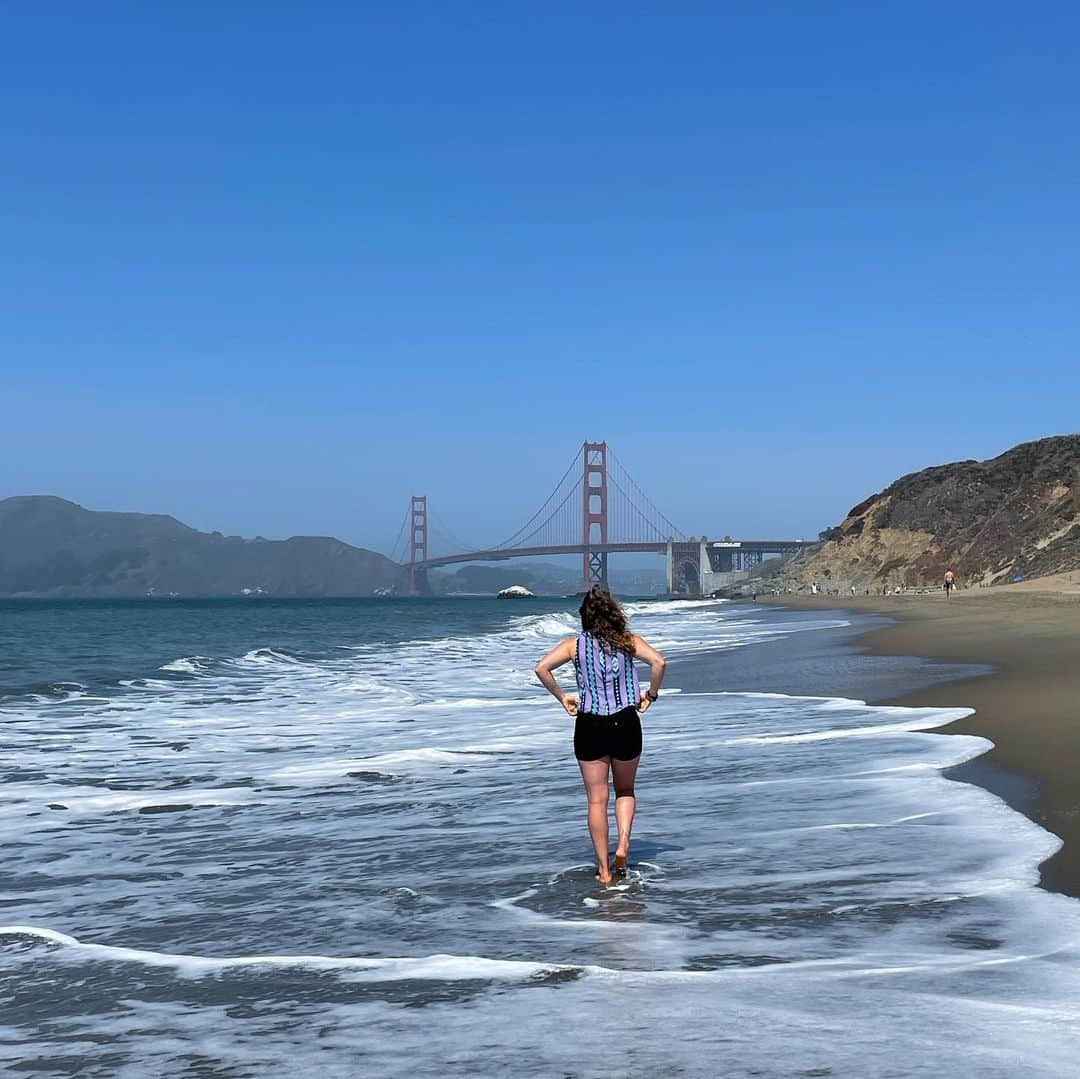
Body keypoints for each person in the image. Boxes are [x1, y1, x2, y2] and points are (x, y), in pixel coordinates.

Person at [534, 586, 667, 886]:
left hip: (589, 725)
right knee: (625, 791)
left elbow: (541, 668)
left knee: (596, 800)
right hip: (625, 721)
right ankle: (622, 846)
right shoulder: (629, 642)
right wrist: (651, 695)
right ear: (614, 613)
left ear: (585, 616)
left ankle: (605, 871)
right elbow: (659, 662)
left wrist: (562, 697)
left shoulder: (573, 646)